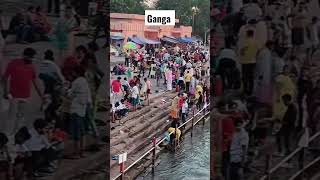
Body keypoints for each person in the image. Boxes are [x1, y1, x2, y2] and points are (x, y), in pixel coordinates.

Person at [2, 48, 43, 135]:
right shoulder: (14, 63)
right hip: (14, 95)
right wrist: (6, 92)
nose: (32, 59)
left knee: (21, 117)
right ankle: (7, 136)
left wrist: (41, 95)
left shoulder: (31, 67)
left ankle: (16, 134)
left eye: (33, 57)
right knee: (11, 116)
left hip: (26, 96)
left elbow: (35, 81)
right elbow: (5, 78)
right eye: (31, 57)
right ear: (25, 56)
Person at [67, 66, 91, 159]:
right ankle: (82, 152)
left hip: (75, 110)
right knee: (82, 132)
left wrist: (66, 88)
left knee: (76, 133)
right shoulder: (85, 82)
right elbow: (89, 99)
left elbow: (69, 94)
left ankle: (76, 153)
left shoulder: (76, 82)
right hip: (83, 110)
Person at [38, 50, 64, 123]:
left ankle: (47, 115)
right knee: (55, 102)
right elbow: (60, 77)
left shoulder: (42, 64)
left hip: (46, 86)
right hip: (53, 86)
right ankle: (52, 116)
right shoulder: (53, 65)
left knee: (47, 100)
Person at [254, 40, 274, 105]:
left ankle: (262, 99)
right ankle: (262, 100)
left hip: (264, 73)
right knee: (263, 87)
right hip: (263, 73)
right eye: (272, 46)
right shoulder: (266, 52)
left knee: (262, 87)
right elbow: (263, 64)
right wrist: (261, 74)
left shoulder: (264, 52)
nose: (273, 47)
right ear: (270, 45)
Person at [239, 30, 258, 95]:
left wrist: (242, 54)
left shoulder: (246, 41)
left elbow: (242, 50)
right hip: (253, 61)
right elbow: (258, 51)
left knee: (245, 77)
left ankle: (245, 90)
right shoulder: (255, 42)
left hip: (245, 61)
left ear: (247, 34)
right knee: (251, 77)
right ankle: (250, 91)